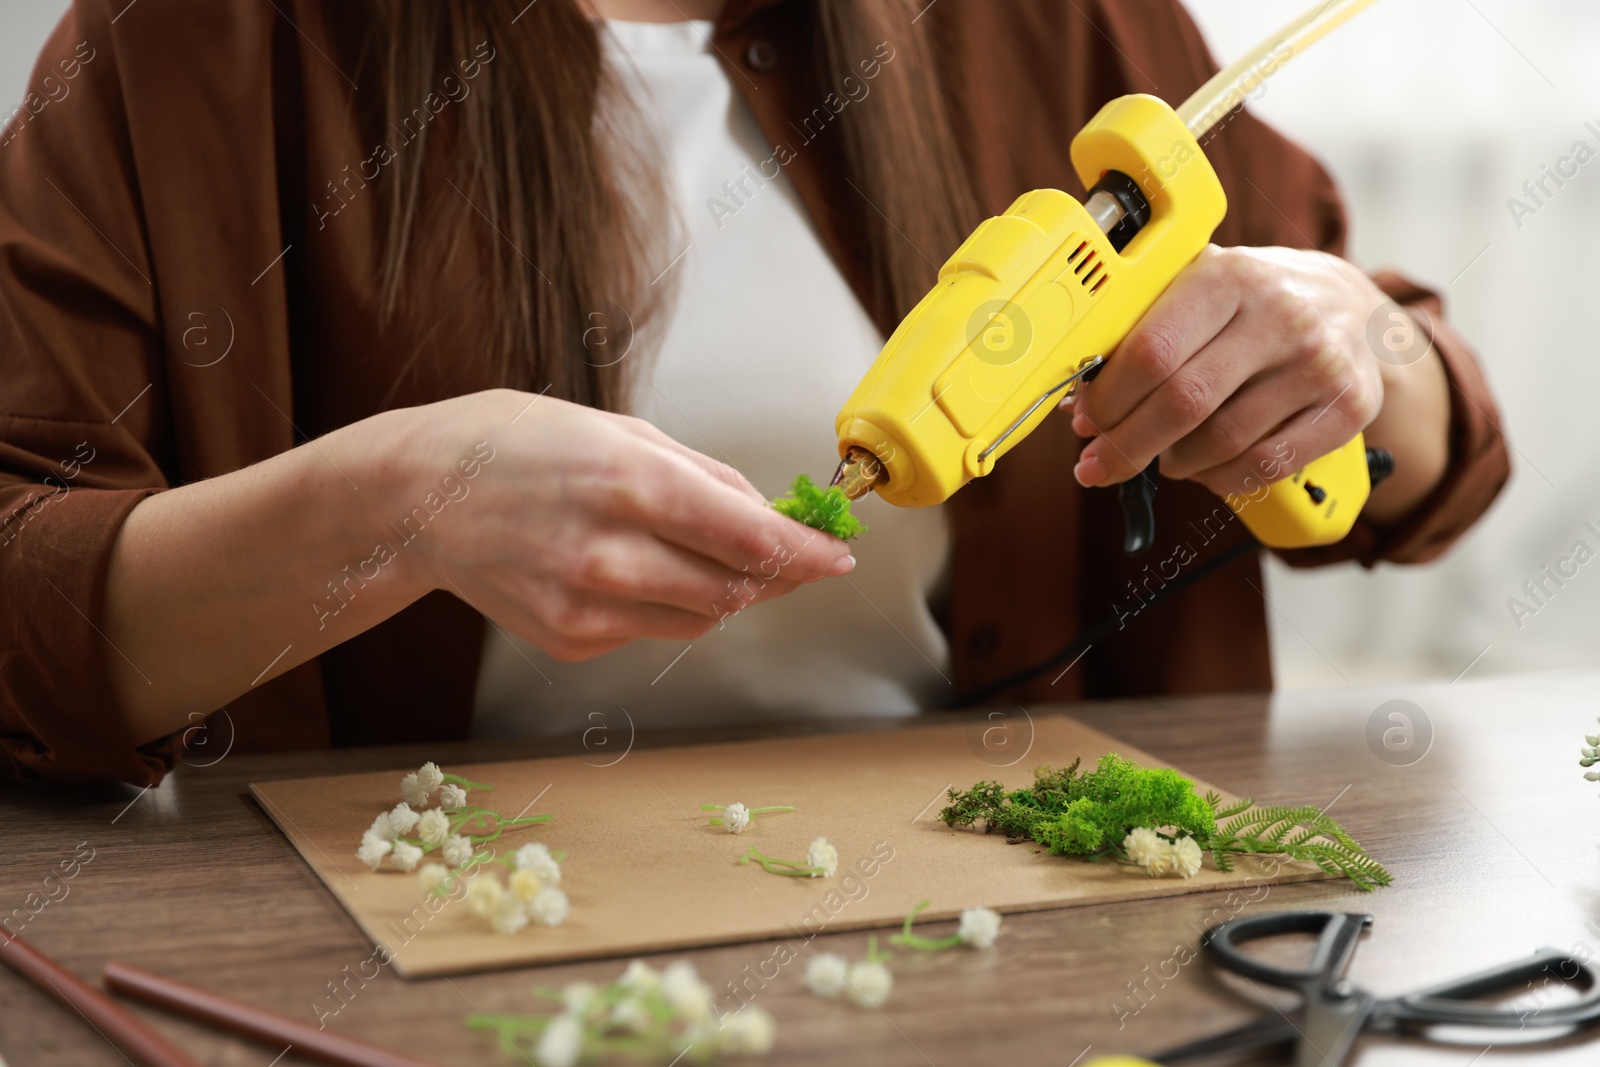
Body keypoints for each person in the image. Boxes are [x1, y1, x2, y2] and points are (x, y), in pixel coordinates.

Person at [0, 0, 1507, 786]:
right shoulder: (189, 46)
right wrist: (397, 507)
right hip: (407, 950)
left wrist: (1361, 343)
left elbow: (1436, 466)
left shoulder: (1054, 24)